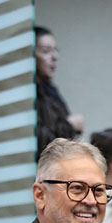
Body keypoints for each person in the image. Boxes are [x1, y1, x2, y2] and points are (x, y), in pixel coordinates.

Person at [34, 27, 84, 158]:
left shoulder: (49, 90)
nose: (55, 57)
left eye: (55, 50)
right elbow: (39, 142)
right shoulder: (27, 93)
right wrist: (70, 125)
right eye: (46, 51)